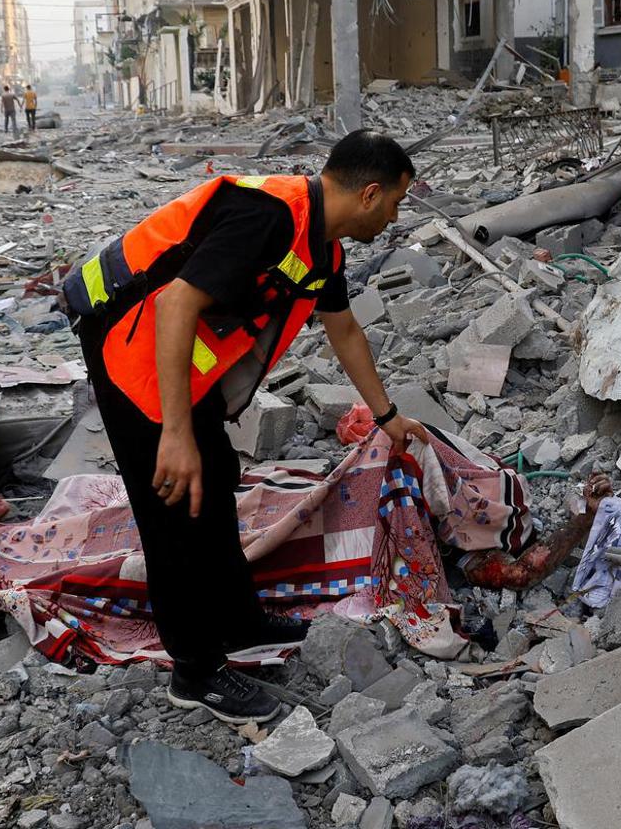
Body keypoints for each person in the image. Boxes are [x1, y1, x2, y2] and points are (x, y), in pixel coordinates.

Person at [62, 130, 430, 724]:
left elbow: (345, 331)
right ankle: (196, 672)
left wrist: (388, 418)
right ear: (369, 194)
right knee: (176, 508)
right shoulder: (268, 216)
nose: (394, 217)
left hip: (182, 360)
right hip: (131, 348)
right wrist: (176, 435)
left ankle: (237, 621)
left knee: (215, 479)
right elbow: (175, 305)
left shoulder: (322, 250)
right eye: (396, 202)